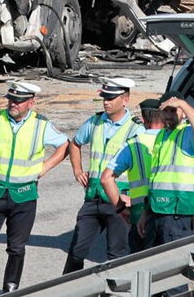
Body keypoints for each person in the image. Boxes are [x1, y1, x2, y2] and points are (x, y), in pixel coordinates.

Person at [0, 81, 68, 293]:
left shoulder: (41, 125)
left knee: (17, 248)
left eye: (19, 101)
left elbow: (64, 145)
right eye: (11, 100)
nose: (13, 104)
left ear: (31, 102)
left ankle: (11, 289)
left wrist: (43, 168)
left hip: (24, 195)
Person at [63, 78, 144, 273]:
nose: (106, 102)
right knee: (76, 251)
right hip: (93, 197)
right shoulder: (96, 121)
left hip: (119, 200)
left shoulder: (136, 129)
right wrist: (77, 170)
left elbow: (143, 169)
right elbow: (75, 144)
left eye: (111, 98)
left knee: (117, 255)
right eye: (104, 98)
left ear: (125, 99)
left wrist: (136, 199)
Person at [137, 91, 194, 247]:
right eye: (166, 110)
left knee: (173, 266)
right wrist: (145, 213)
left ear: (182, 113)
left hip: (179, 216)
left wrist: (183, 104)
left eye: (173, 110)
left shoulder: (188, 133)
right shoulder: (161, 136)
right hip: (156, 212)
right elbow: (155, 180)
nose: (169, 115)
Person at [100, 98, 165, 253]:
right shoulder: (172, 140)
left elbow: (106, 178)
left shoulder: (132, 144)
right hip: (169, 209)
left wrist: (121, 207)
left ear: (142, 119)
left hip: (139, 212)